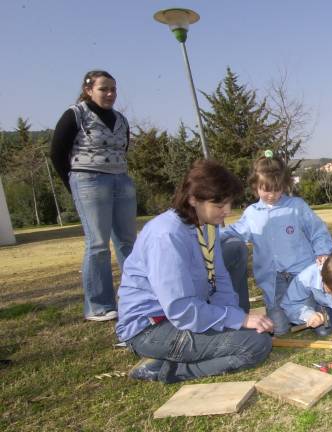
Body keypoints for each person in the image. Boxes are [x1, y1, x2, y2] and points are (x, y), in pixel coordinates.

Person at [116, 160, 273, 383]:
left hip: (185, 316)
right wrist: (238, 320)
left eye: (229, 204)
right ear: (193, 199)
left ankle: (179, 357)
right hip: (152, 329)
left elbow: (219, 279)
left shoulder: (207, 225)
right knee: (256, 345)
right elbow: (181, 310)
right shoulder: (166, 236)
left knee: (253, 332)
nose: (227, 211)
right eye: (219, 206)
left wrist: (238, 318)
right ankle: (167, 370)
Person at [50, 70, 137, 321]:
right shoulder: (75, 115)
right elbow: (57, 153)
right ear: (89, 90)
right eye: (103, 89)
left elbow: (124, 148)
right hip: (89, 180)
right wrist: (74, 184)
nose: (110, 94)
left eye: (113, 89)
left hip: (121, 179)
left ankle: (136, 296)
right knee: (98, 243)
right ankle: (99, 305)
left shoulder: (120, 118)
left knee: (128, 242)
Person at [221, 151, 332, 335]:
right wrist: (210, 235)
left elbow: (318, 230)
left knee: (320, 329)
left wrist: (322, 251)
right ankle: (287, 315)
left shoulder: (296, 206)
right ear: (255, 187)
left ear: (285, 185)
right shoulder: (251, 213)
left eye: (277, 189)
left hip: (301, 274)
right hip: (273, 280)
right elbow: (233, 231)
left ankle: (326, 309)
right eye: (266, 189)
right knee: (280, 330)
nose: (272, 195)